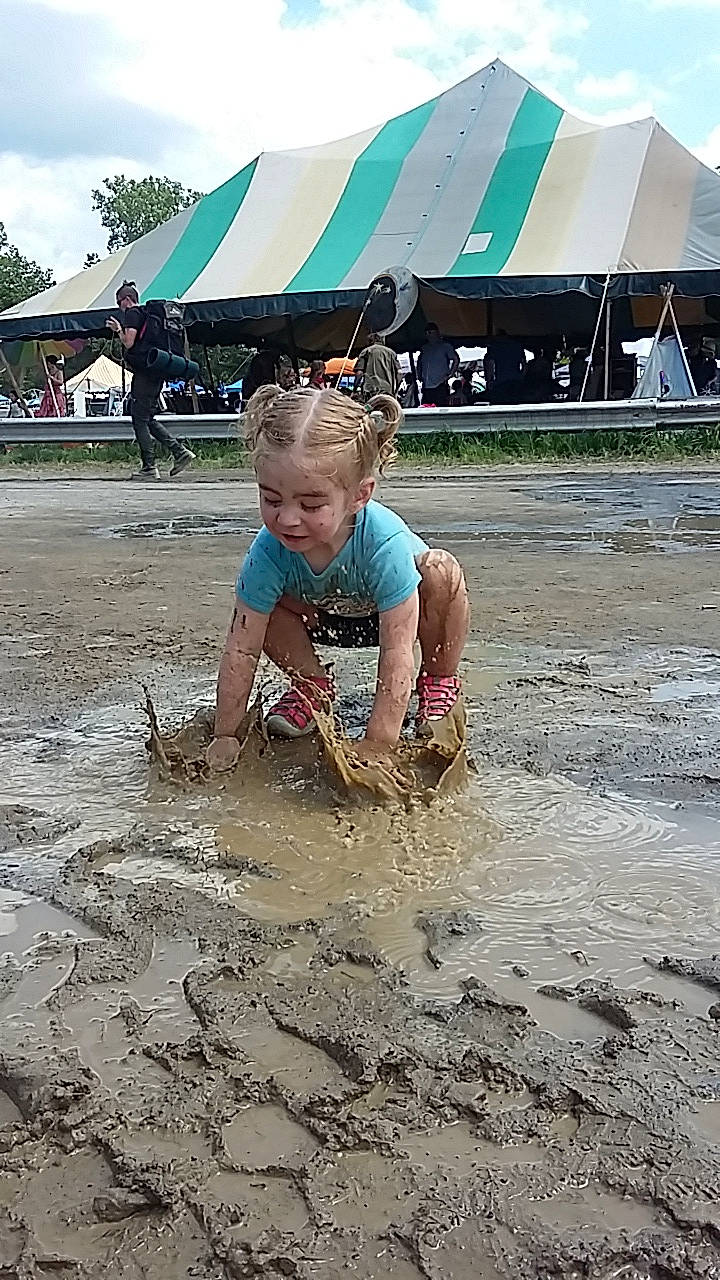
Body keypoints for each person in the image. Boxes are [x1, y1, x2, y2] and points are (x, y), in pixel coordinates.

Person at [206, 385, 469, 770]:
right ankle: (313, 686)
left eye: (311, 504)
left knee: (440, 571)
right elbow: (241, 648)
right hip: (322, 618)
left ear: (360, 495)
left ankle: (438, 682)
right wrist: (225, 735)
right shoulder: (267, 551)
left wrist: (378, 743)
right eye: (272, 499)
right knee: (262, 606)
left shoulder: (385, 542)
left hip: (397, 619)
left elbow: (396, 654)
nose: (288, 518)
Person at [107, 283, 194, 481]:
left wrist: (118, 329)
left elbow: (129, 342)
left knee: (139, 418)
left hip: (145, 372)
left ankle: (149, 466)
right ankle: (179, 452)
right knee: (147, 416)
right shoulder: (149, 315)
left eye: (119, 303)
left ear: (126, 300)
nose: (120, 307)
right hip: (158, 369)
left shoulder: (132, 313)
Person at [417, 324, 459, 406]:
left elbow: (455, 359)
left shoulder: (445, 346)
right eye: (427, 333)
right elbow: (420, 362)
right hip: (426, 385)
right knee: (425, 408)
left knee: (441, 408)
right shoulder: (424, 348)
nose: (429, 335)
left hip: (440, 383)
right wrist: (419, 374)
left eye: (431, 332)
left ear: (437, 333)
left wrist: (451, 374)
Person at [354, 333, 401, 399]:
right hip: (388, 390)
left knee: (371, 408)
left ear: (369, 341)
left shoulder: (366, 351)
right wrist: (395, 389)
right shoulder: (392, 353)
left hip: (371, 390)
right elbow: (399, 373)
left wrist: (354, 388)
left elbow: (359, 372)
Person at [483, 330, 526, 395]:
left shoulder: (495, 347)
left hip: (500, 381)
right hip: (516, 379)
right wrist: (521, 376)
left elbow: (489, 364)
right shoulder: (517, 346)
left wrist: (489, 380)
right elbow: (524, 363)